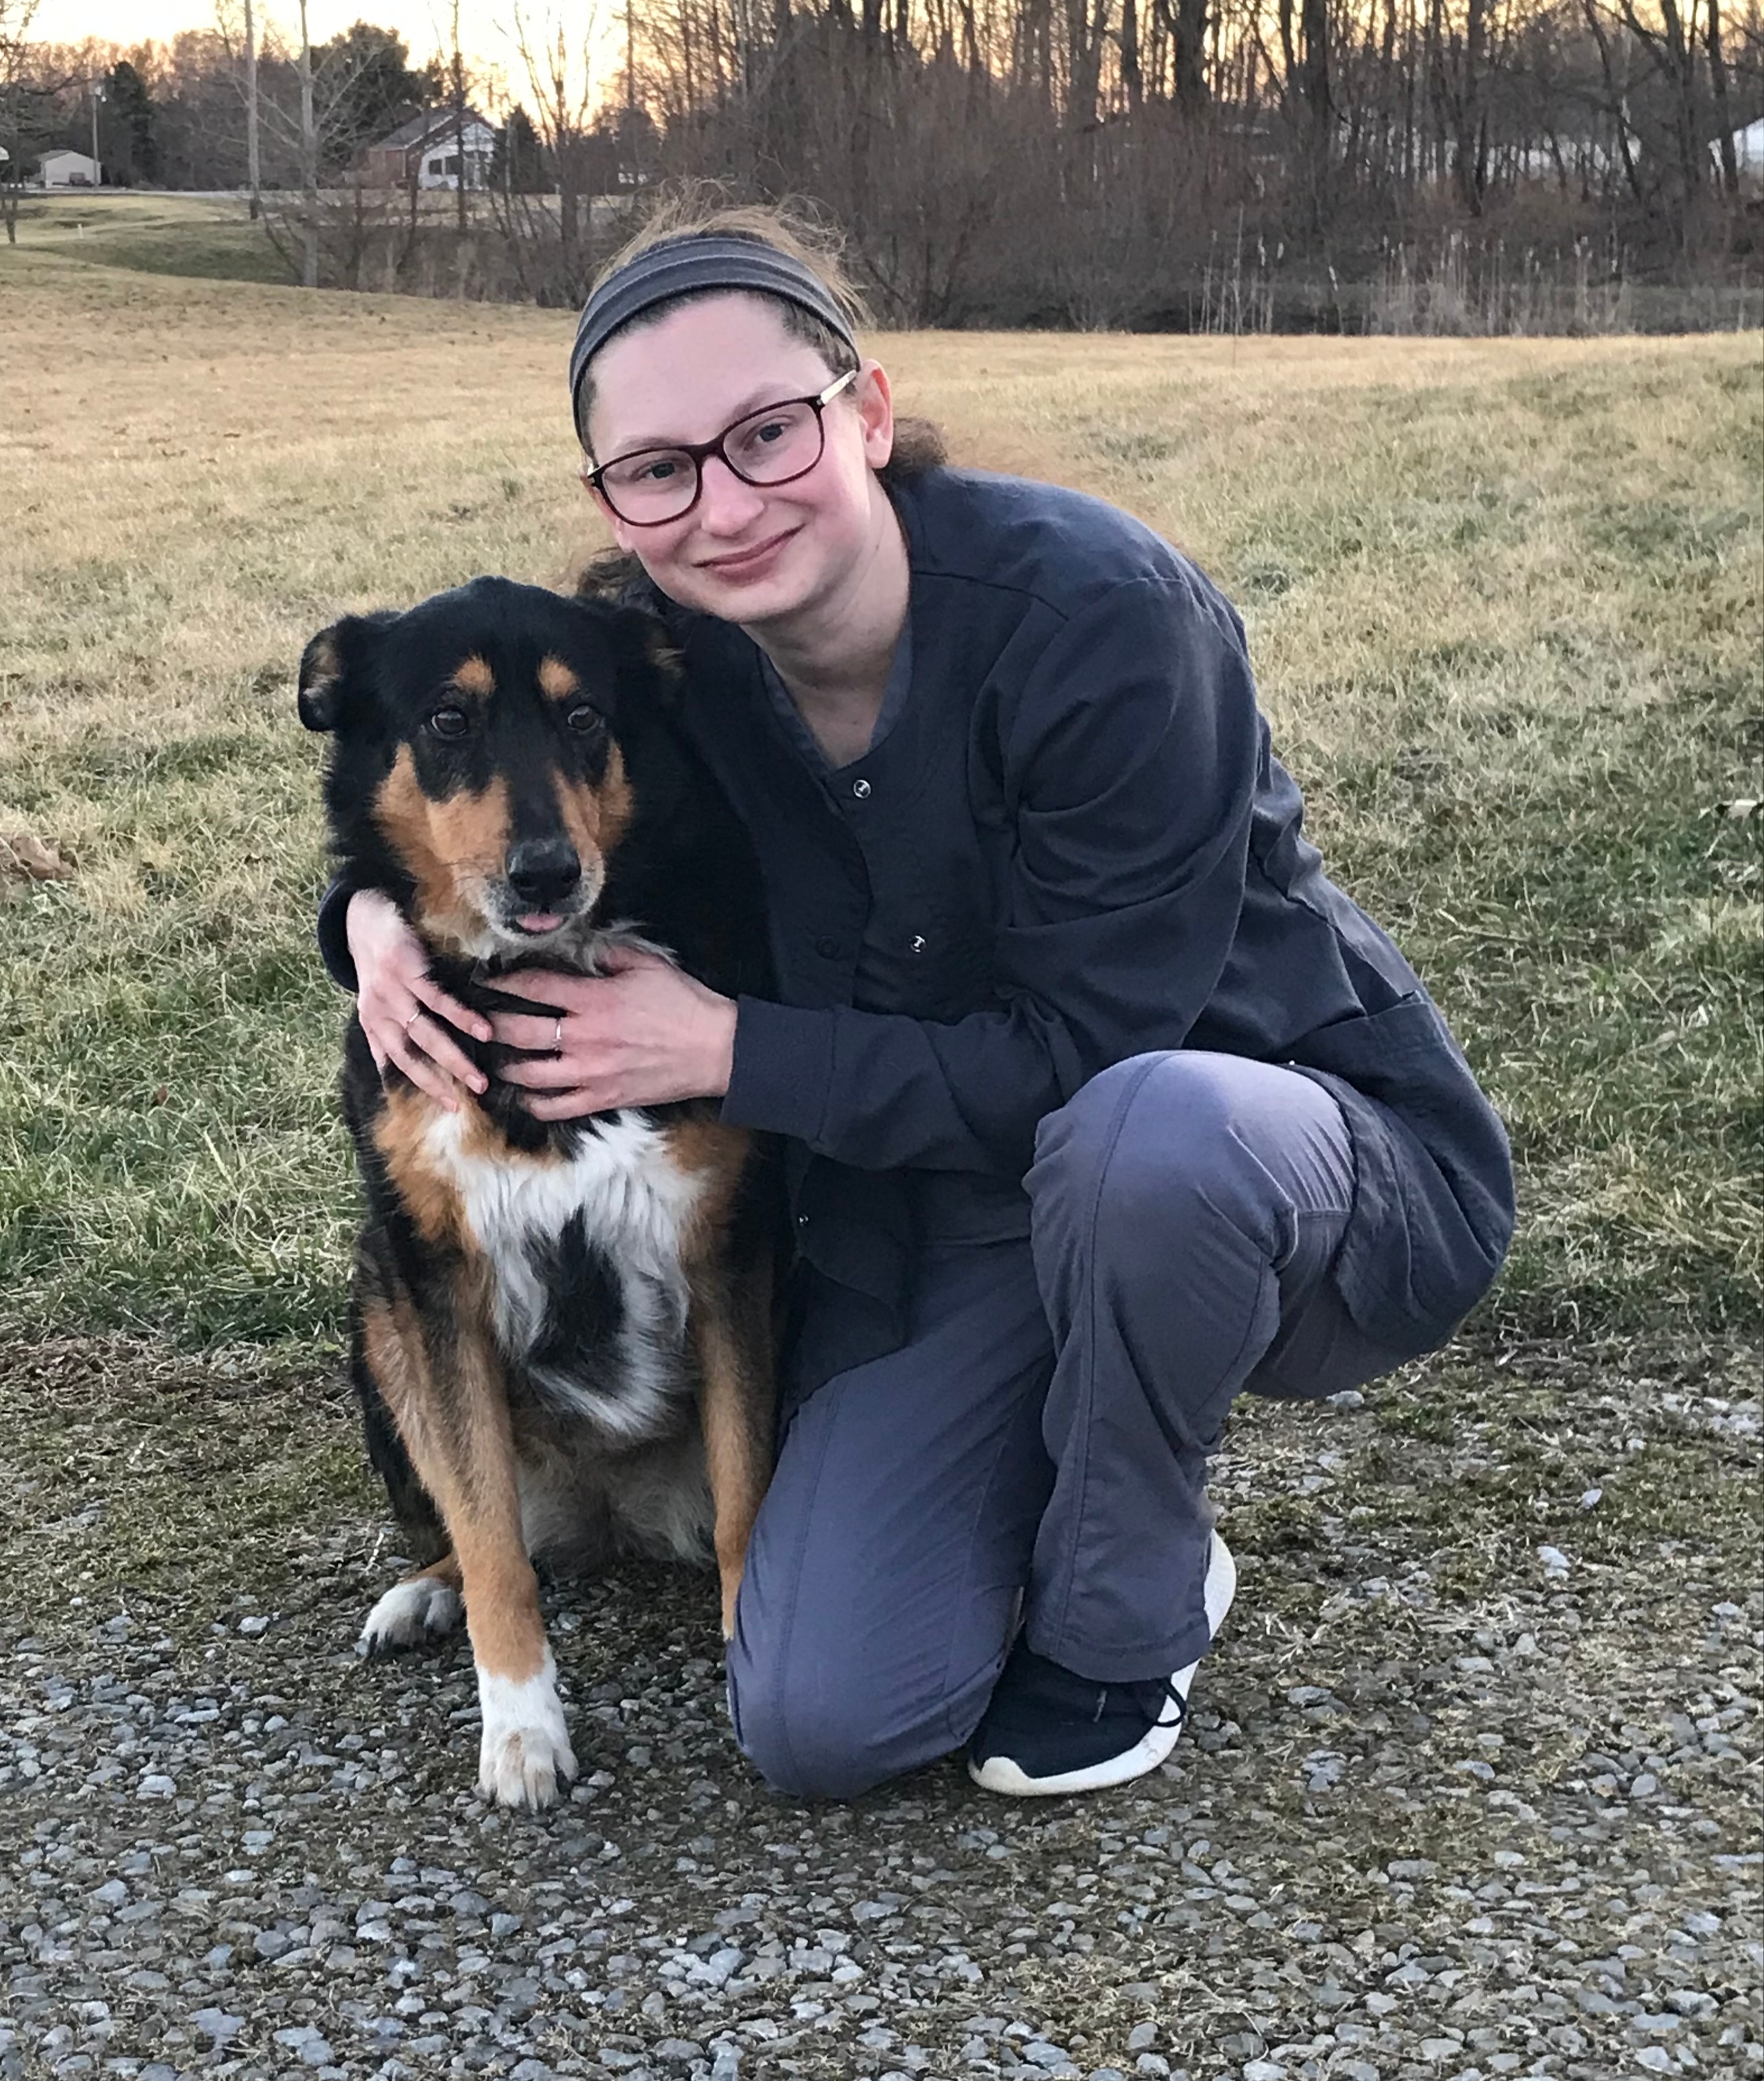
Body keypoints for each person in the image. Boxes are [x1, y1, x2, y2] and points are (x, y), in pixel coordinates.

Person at [315, 202, 1514, 1803]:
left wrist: (731, 1050)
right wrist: (370, 919)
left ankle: (1125, 1598)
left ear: (867, 411)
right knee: (825, 1716)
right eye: (660, 467)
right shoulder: (676, 671)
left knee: (1141, 1137)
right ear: (614, 498)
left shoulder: (1104, 622)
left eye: (767, 432)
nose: (723, 502)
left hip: (1254, 1156)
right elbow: (485, 800)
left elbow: (1096, 1052)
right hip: (954, 1202)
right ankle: (1043, 1483)